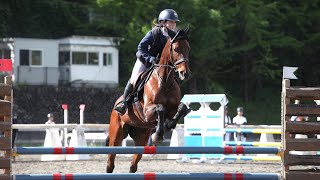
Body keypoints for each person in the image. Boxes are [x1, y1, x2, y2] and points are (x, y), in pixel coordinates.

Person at [114, 9, 180, 115]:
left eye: (174, 22)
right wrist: (150, 58)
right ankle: (124, 103)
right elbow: (141, 47)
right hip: (145, 60)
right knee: (134, 79)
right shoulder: (154, 33)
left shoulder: (174, 36)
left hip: (161, 64)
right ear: (163, 22)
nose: (173, 24)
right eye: (171, 22)